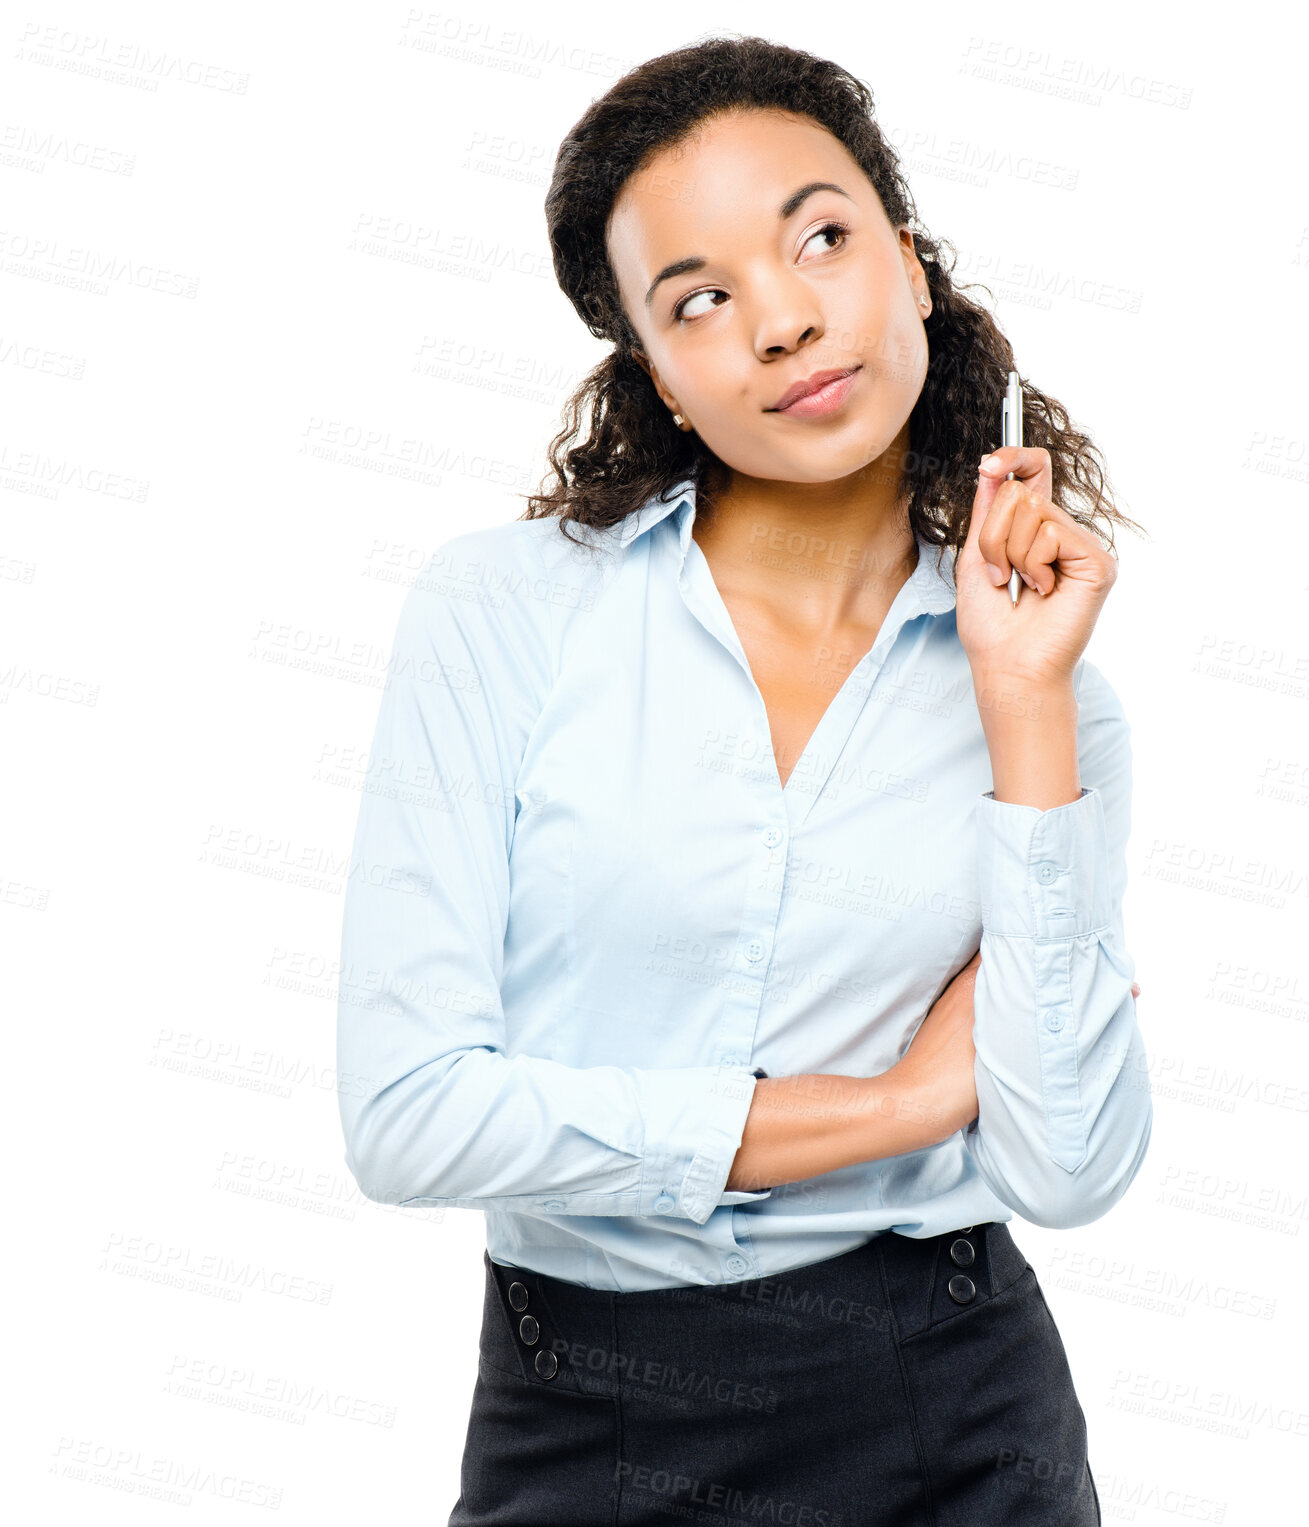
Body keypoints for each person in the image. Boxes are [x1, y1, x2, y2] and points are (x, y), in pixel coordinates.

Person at [335, 35, 1153, 1526]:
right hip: (582, 1408)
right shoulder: (503, 613)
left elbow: (1067, 1165)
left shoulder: (1050, 695)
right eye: (700, 298)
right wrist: (897, 1107)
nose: (781, 320)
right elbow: (409, 1117)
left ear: (909, 268)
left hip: (954, 1411)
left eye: (821, 239)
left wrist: (1020, 713)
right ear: (657, 369)